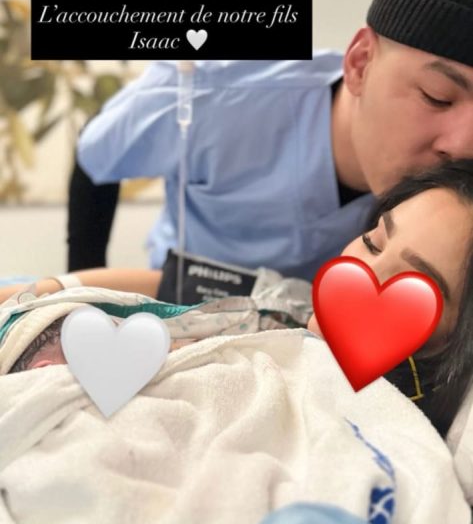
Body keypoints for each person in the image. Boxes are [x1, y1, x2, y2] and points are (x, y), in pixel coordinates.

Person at [69, 0, 473, 285]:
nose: (462, 147)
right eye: (437, 96)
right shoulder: (220, 90)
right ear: (360, 63)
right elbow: (97, 153)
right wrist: (80, 296)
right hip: (180, 307)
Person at [3, 160, 473, 439]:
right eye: (372, 241)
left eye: (414, 285)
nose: (363, 275)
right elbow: (170, 283)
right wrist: (43, 290)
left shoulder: (386, 433)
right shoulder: (288, 303)